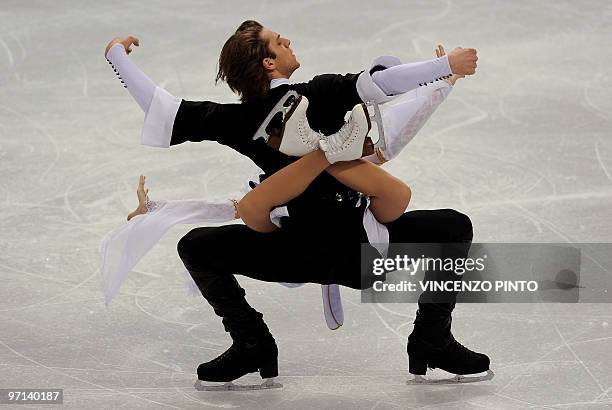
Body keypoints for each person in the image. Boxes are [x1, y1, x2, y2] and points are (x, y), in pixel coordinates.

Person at [103, 22, 490, 386]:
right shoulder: (318, 94)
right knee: (452, 226)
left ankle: (251, 343)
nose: (287, 40)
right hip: (360, 252)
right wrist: (444, 68)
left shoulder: (235, 121)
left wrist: (117, 57)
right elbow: (382, 84)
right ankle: (432, 339)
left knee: (196, 246)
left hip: (293, 253)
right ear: (268, 62)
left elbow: (162, 109)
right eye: (279, 41)